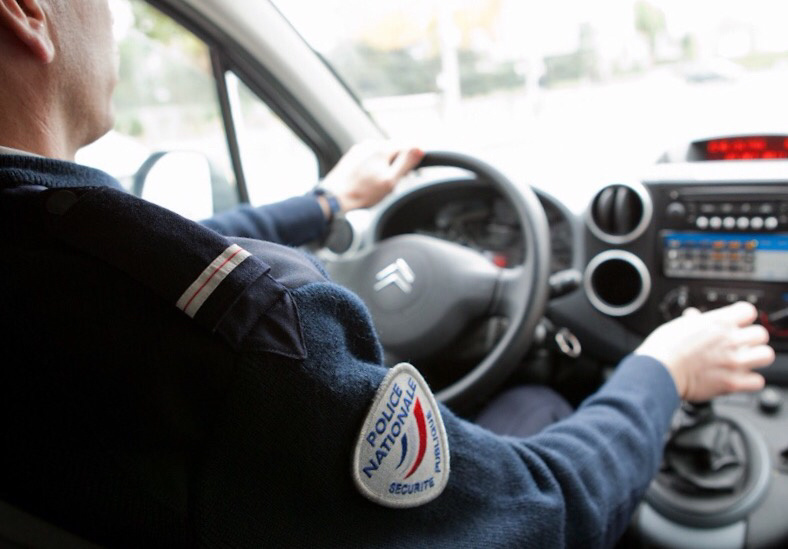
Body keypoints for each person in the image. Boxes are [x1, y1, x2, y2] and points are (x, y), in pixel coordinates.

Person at [0, 1, 775, 548]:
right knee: (536, 397)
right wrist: (663, 371)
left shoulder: (54, 252)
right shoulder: (255, 339)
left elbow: (179, 249)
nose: (111, 14)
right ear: (28, 10)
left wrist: (327, 202)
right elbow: (539, 514)